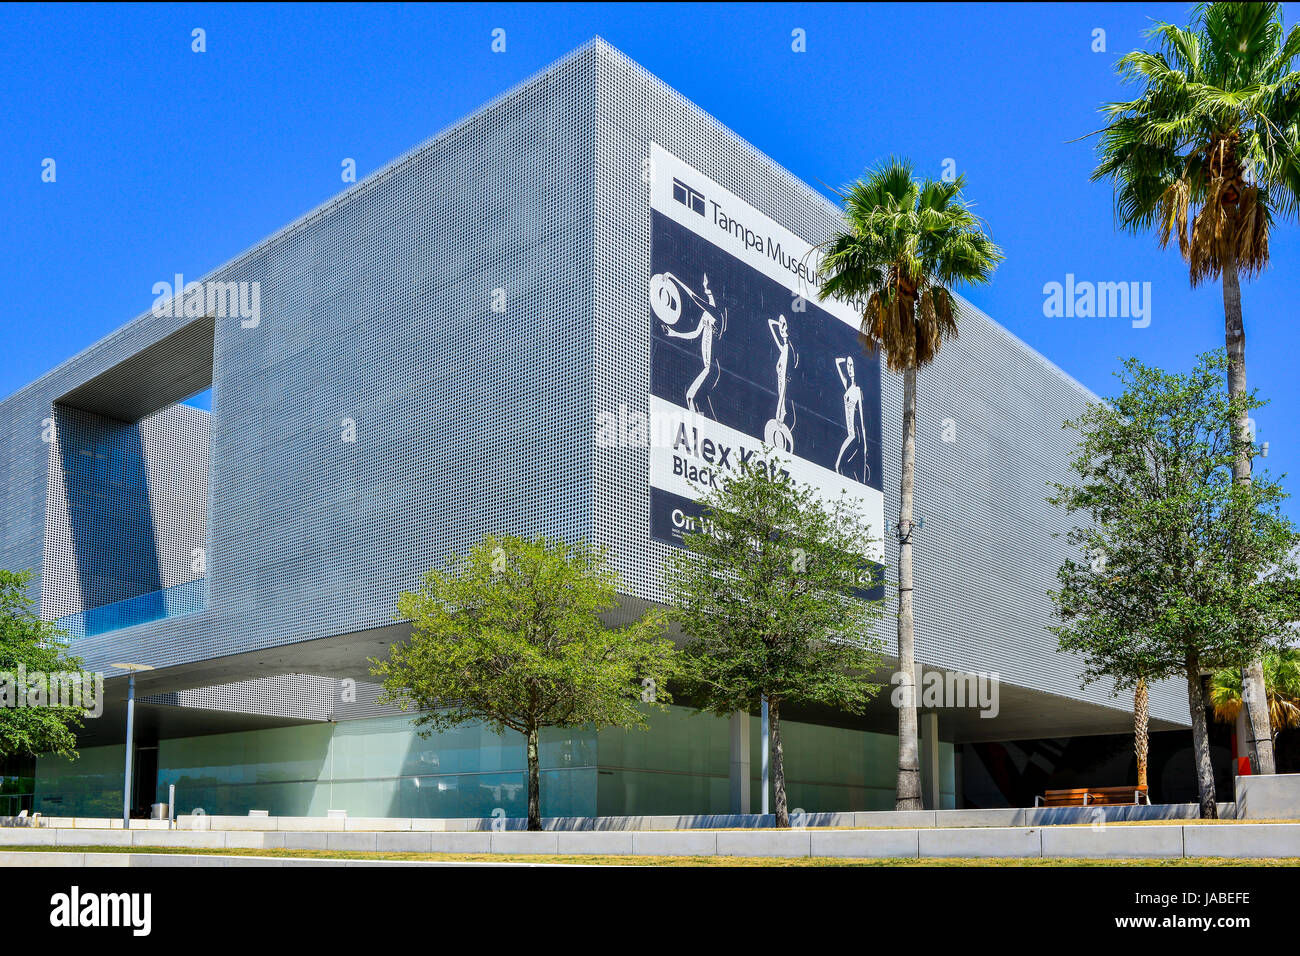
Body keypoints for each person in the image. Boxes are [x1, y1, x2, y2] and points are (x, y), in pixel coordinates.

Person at [835, 355, 868, 482]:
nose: (849, 368)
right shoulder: (847, 385)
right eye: (848, 365)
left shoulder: (858, 391)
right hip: (849, 435)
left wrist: (865, 446)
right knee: (840, 466)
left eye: (852, 365)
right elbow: (837, 362)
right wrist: (846, 358)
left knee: (839, 465)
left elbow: (862, 421)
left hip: (854, 437)